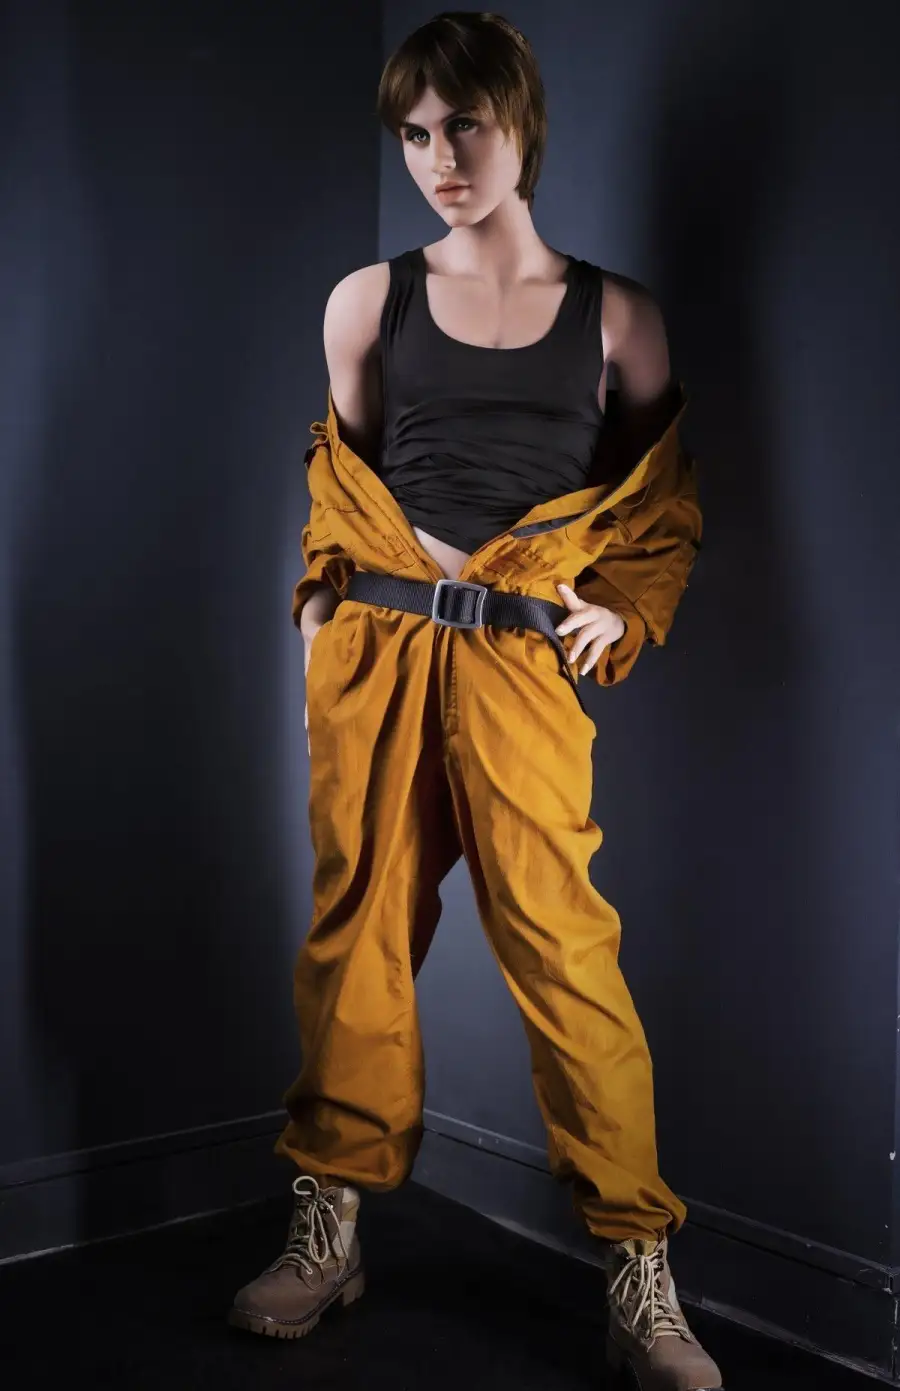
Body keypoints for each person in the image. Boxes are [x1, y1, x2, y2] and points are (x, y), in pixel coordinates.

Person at [229, 12, 720, 1390]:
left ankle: (641, 1272)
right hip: (379, 656)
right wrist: (321, 626)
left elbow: (660, 508)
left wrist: (625, 608)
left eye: (465, 127)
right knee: (358, 939)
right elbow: (341, 494)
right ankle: (328, 1227)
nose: (439, 158)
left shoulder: (618, 317)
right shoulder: (366, 302)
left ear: (521, 126)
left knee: (566, 952)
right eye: (414, 134)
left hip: (518, 666)